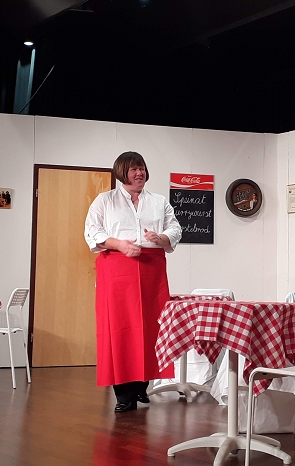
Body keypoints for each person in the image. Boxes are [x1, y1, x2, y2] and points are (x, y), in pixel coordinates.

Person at [84, 151, 182, 413]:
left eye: (142, 168)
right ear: (122, 172)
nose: (139, 173)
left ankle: (142, 385)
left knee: (151, 326)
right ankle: (123, 394)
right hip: (117, 268)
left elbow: (175, 228)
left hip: (151, 269)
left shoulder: (159, 201)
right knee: (119, 327)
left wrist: (162, 238)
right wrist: (119, 244)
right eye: (134, 169)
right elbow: (92, 231)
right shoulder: (105, 200)